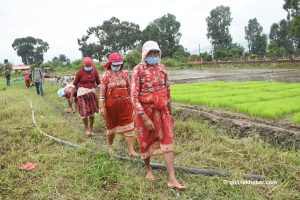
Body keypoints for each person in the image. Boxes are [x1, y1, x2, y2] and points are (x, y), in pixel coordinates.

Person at [131, 41, 185, 189]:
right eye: (150, 53)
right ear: (145, 54)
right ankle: (148, 169)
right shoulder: (138, 70)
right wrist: (144, 117)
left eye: (156, 53)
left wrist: (170, 112)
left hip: (162, 111)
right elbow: (134, 96)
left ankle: (172, 179)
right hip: (145, 112)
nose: (153, 56)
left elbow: (168, 91)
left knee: (168, 141)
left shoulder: (162, 68)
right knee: (145, 141)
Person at [100, 52, 138, 156]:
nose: (117, 67)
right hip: (111, 106)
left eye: (118, 65)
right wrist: (102, 106)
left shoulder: (125, 73)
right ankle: (110, 146)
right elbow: (102, 92)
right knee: (111, 127)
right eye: (114, 65)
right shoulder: (105, 75)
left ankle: (131, 150)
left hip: (126, 105)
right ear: (110, 64)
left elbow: (130, 89)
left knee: (129, 126)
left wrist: (133, 102)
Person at [73, 57, 100, 136]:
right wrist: (72, 95)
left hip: (91, 93)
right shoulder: (80, 72)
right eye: (86, 65)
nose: (88, 67)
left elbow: (99, 83)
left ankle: (91, 129)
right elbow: (74, 84)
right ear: (83, 64)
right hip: (81, 94)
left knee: (92, 114)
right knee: (84, 113)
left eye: (89, 65)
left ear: (92, 64)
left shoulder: (95, 72)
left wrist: (101, 94)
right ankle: (86, 128)